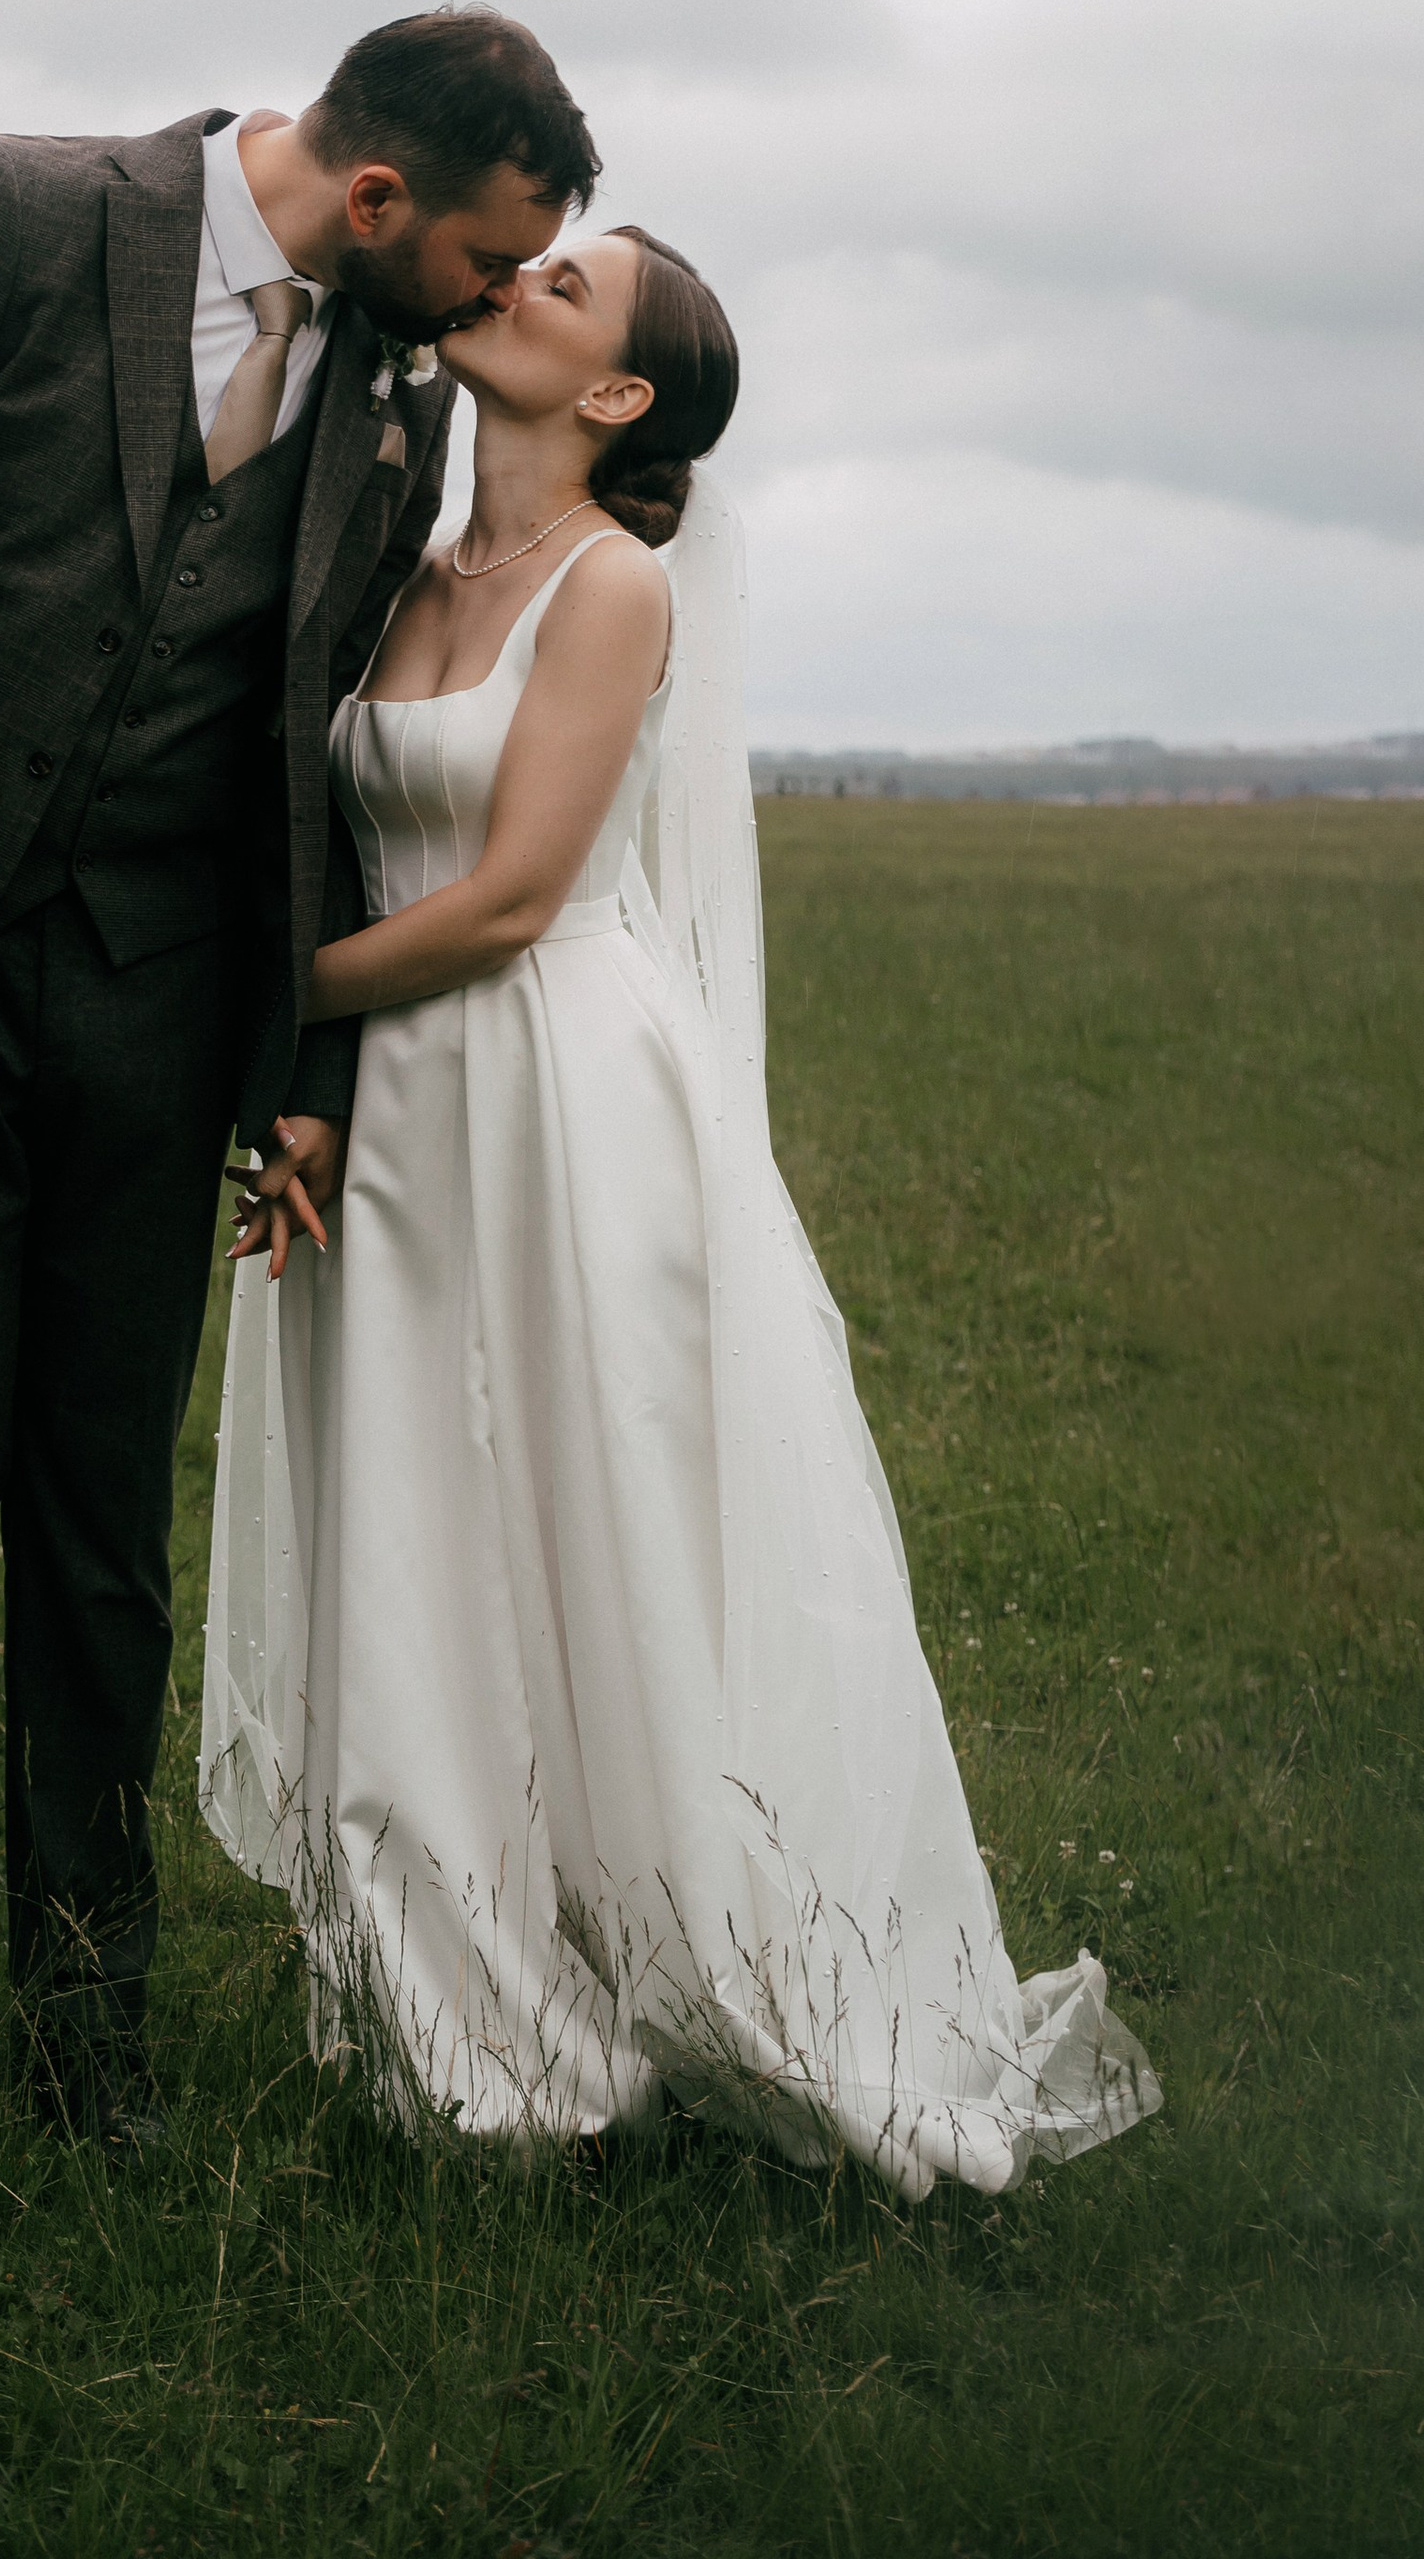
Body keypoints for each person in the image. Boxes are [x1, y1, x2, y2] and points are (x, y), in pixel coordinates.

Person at [0, 9, 598, 2147]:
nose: (490, 303)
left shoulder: (392, 399)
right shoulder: (32, 211)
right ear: (371, 198)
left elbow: (304, 750)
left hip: (157, 1009)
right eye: (482, 259)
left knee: (103, 1536)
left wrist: (299, 1064)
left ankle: (86, 2045)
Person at [201, 228, 1162, 2196]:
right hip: (394, 1111)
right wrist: (306, 1093)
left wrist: (235, 1018)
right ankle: (463, 1991)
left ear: (618, 395)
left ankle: (681, 1948)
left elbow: (507, 898)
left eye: (562, 289)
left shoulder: (612, 583)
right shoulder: (405, 568)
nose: (512, 282)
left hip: (555, 1089)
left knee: (591, 1513)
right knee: (412, 1514)